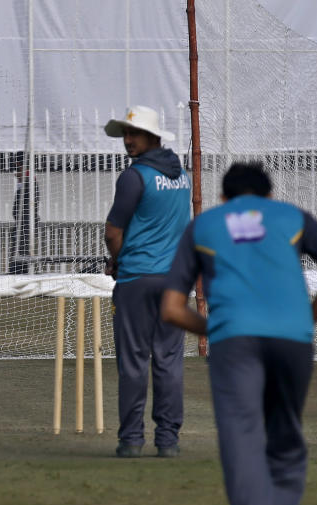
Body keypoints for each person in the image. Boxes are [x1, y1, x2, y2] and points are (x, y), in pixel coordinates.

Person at [161, 162, 317, 505]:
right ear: (269, 196)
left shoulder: (203, 225)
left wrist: (213, 328)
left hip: (235, 340)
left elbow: (170, 308)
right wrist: (308, 318)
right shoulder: (291, 216)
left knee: (242, 440)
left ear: (223, 198)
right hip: (293, 339)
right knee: (286, 437)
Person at [102, 105, 191, 458]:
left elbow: (112, 232)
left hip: (137, 278)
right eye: (125, 133)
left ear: (153, 137)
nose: (128, 140)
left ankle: (132, 439)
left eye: (133, 134)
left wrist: (117, 260)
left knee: (134, 361)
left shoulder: (133, 176)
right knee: (169, 360)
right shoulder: (180, 175)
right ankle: (168, 440)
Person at [8, 151, 39, 275]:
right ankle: (17, 272)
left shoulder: (29, 182)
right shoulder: (27, 182)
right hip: (23, 224)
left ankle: (19, 273)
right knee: (20, 250)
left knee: (22, 250)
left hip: (25, 224)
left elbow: (25, 207)